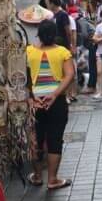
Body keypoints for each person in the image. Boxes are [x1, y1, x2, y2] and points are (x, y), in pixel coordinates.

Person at [26, 19, 75, 190]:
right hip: (56, 102)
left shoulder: (29, 52)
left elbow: (22, 79)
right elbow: (70, 74)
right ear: (55, 34)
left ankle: (38, 176)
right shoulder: (63, 52)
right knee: (55, 139)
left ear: (38, 34)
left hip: (35, 103)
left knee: (36, 139)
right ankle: (52, 179)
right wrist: (54, 94)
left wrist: (31, 97)